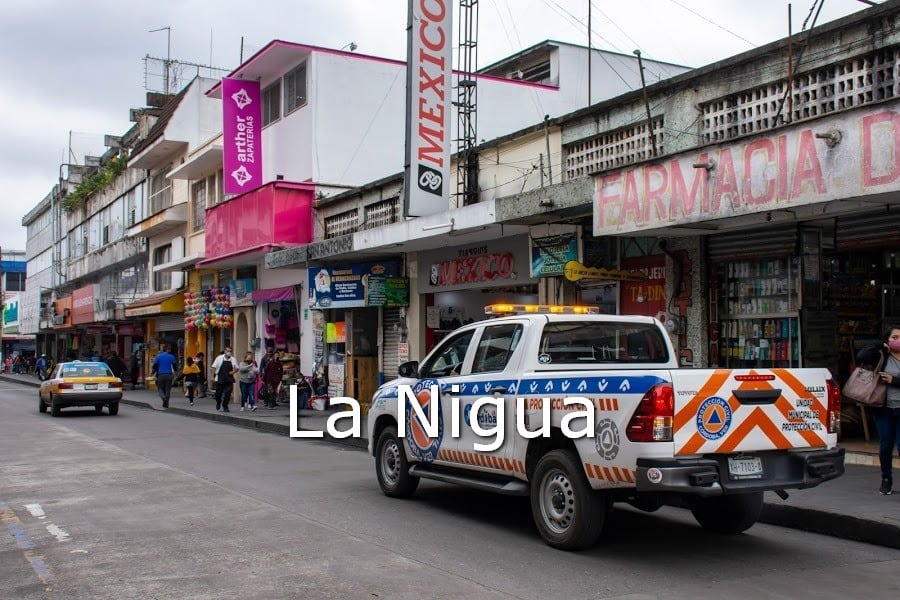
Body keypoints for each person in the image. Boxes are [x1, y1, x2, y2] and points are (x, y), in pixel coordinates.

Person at [855, 324, 900, 495]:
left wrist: (893, 380)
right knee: (886, 445)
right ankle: (886, 479)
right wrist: (878, 344)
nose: (898, 341)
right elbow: (861, 356)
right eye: (894, 337)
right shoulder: (883, 356)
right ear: (888, 340)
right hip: (883, 409)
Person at [210, 347, 238, 412]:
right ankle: (218, 402)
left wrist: (233, 372)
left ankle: (225, 406)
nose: (229, 352)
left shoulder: (233, 359)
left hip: (229, 379)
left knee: (228, 393)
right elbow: (214, 367)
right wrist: (212, 376)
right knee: (218, 394)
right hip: (220, 378)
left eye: (230, 351)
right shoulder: (219, 358)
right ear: (225, 351)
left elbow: (237, 368)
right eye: (228, 351)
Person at [151, 344, 178, 409]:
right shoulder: (171, 356)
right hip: (169, 375)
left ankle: (163, 398)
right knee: (168, 389)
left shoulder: (158, 356)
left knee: (160, 388)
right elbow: (174, 367)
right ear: (167, 350)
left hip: (161, 375)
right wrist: (176, 374)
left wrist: (153, 373)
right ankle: (166, 404)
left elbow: (155, 366)